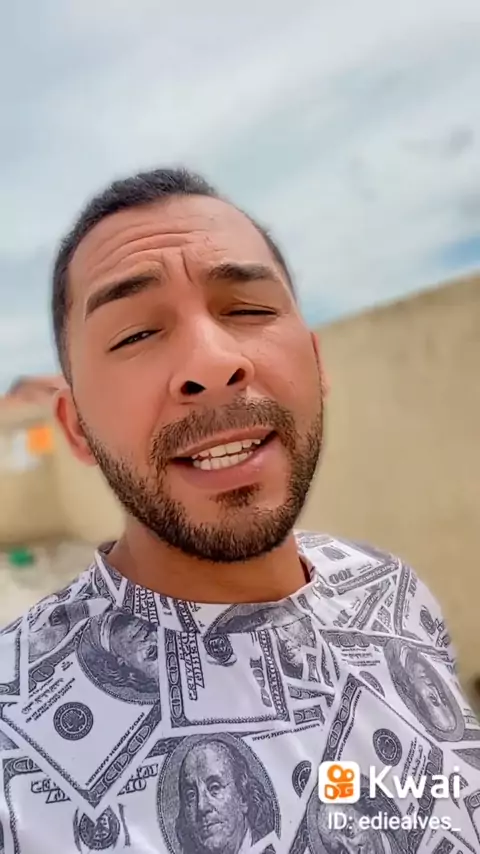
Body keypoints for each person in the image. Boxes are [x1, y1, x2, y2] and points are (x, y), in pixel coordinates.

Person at [0, 167, 478, 853]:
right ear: (76, 429)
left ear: (316, 364)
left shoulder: (395, 592)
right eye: (135, 334)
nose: (212, 362)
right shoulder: (13, 739)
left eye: (248, 310)